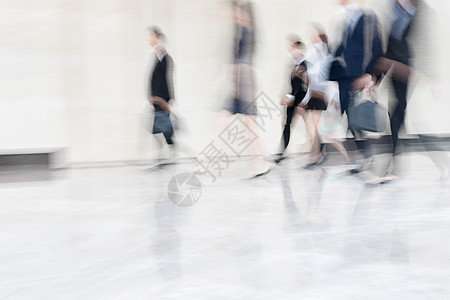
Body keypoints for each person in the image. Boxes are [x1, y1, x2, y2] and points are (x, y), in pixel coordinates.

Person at [329, 0, 384, 178]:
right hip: (345, 79)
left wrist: (372, 76)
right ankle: (364, 157)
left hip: (360, 77)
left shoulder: (369, 18)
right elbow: (339, 52)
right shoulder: (344, 23)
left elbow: (377, 50)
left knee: (355, 118)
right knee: (348, 118)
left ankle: (365, 157)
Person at [221, 0, 274, 177]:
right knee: (249, 125)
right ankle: (263, 160)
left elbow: (244, 63)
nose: (235, 15)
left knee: (250, 125)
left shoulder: (248, 33)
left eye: (237, 12)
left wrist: (238, 86)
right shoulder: (242, 33)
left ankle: (264, 161)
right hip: (242, 84)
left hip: (245, 84)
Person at [304, 23, 350, 166]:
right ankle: (320, 154)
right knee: (317, 128)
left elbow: (329, 79)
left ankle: (316, 155)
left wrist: (335, 98)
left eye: (315, 36)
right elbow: (311, 80)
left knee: (316, 127)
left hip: (323, 95)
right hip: (314, 95)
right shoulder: (312, 54)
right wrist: (306, 98)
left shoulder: (326, 56)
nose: (312, 39)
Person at [147, 26, 176, 167]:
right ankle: (167, 153)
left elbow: (166, 80)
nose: (149, 39)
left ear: (157, 37)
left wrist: (168, 101)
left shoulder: (165, 58)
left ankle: (168, 153)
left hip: (162, 100)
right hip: (157, 100)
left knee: (161, 128)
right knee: (159, 129)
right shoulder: (157, 56)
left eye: (151, 36)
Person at [276, 37, 309, 163]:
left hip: (303, 100)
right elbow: (293, 85)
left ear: (300, 49)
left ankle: (320, 150)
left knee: (310, 125)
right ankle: (282, 151)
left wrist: (297, 98)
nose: (291, 51)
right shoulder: (293, 66)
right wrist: (288, 96)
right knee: (287, 124)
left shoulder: (306, 65)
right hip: (293, 99)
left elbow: (306, 85)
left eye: (294, 48)